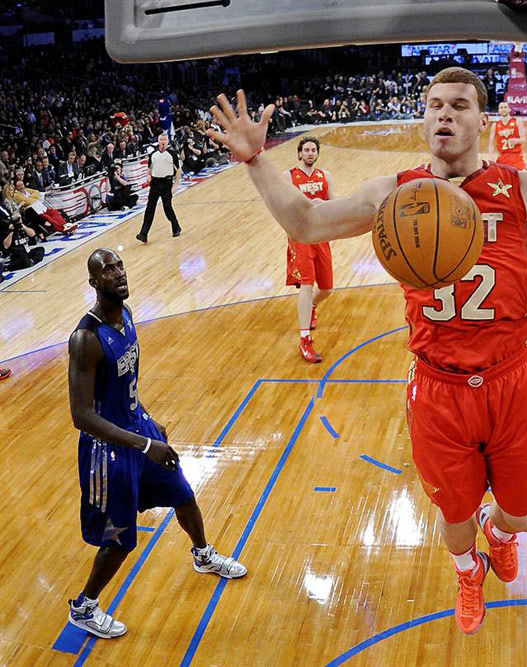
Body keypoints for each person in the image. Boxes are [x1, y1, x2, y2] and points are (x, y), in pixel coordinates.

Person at [207, 70, 527, 636]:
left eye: (459, 105)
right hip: (438, 386)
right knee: (454, 520)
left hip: (511, 378)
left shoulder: (523, 188)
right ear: (423, 119)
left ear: (482, 120)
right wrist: (255, 161)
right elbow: (306, 223)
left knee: (526, 517)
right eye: (434, 105)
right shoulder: (395, 192)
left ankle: (502, 535)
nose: (444, 114)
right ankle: (468, 571)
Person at [66, 248, 246, 640]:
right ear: (94, 283)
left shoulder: (127, 318)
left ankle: (202, 554)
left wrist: (148, 419)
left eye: (119, 266)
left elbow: (124, 386)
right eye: (107, 270)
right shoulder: (86, 339)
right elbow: (82, 416)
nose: (117, 274)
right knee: (119, 540)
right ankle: (84, 606)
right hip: (107, 452)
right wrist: (146, 445)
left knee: (183, 493)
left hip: (137, 429)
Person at [283, 137, 334, 363]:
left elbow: (333, 202)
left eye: (313, 150)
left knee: (327, 288)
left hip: (320, 236)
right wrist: (305, 204)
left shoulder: (326, 176)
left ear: (317, 153)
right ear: (300, 153)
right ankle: (305, 340)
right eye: (306, 150)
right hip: (301, 236)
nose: (310, 153)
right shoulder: (289, 176)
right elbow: (283, 205)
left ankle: (312, 305)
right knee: (306, 283)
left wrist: (325, 205)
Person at [136, 134, 182, 243]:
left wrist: (175, 184)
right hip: (155, 183)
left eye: (164, 139)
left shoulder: (172, 154)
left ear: (168, 141)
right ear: (158, 140)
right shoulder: (153, 154)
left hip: (166, 183)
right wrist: (148, 176)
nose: (162, 141)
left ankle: (176, 227)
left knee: (167, 208)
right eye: (161, 139)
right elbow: (149, 168)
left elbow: (178, 170)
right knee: (149, 209)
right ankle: (143, 234)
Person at [488, 101, 527, 171]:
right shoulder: (495, 125)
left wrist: (516, 140)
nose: (503, 109)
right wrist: (491, 157)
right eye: (501, 107)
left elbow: (524, 140)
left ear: (509, 109)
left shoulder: (517, 121)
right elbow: (491, 143)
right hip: (502, 157)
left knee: (521, 179)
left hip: (516, 157)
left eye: (505, 107)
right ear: (499, 111)